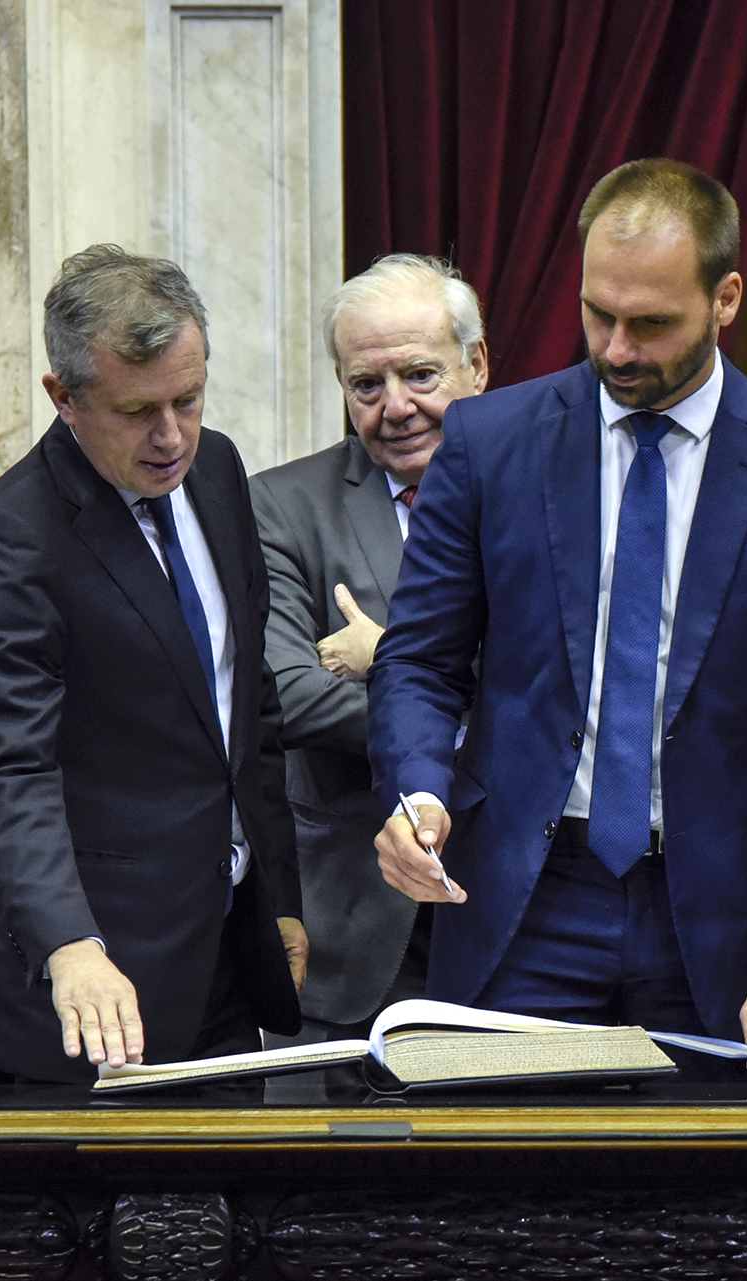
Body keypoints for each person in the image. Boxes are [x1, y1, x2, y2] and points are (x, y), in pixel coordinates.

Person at [368, 158, 747, 1085]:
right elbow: (419, 661)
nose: (615, 348)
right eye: (597, 313)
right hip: (521, 902)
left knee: (709, 1214)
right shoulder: (491, 445)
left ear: (725, 298)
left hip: (720, 918)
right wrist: (417, 791)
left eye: (651, 323)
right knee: (500, 1207)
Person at [0, 245, 306, 1086]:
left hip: (223, 961)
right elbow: (7, 770)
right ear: (65, 398)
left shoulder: (221, 473)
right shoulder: (10, 543)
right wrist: (70, 945)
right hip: (81, 991)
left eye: (189, 399)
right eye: (137, 412)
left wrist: (278, 895)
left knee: (238, 1216)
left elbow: (246, 707)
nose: (172, 437)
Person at [250, 255, 489, 1039]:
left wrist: (388, 653)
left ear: (476, 364)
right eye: (366, 385)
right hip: (353, 932)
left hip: (516, 916)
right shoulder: (283, 506)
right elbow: (287, 690)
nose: (396, 407)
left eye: (421, 375)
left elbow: (572, 685)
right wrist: (474, 708)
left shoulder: (544, 497)